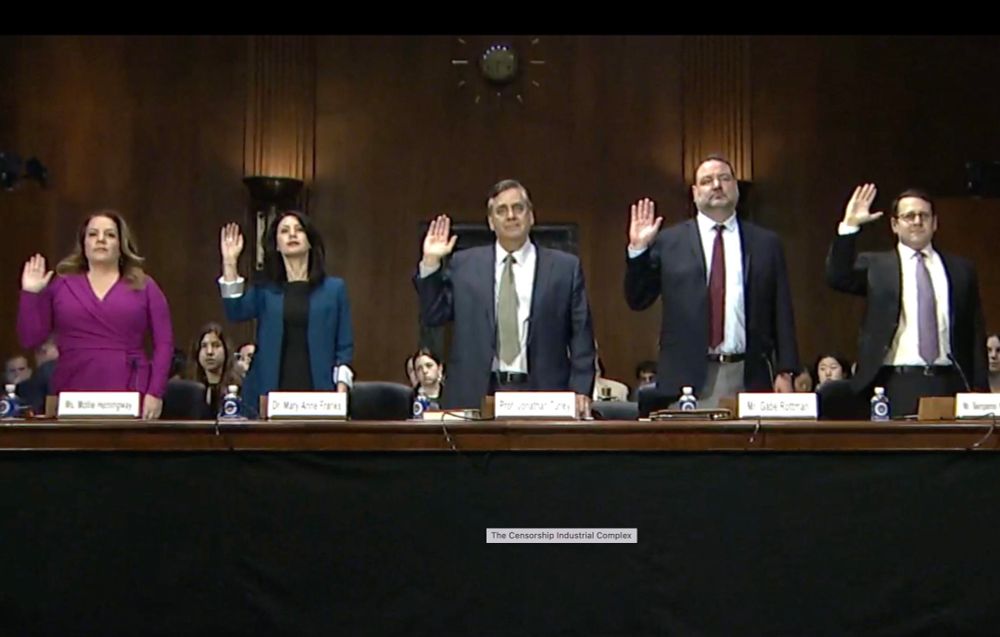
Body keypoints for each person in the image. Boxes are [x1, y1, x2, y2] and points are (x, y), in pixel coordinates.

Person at [624, 155, 799, 407]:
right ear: (695, 193)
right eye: (707, 181)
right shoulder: (669, 242)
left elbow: (782, 309)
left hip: (748, 374)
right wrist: (638, 250)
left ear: (736, 188)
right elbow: (637, 299)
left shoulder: (765, 243)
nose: (716, 185)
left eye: (724, 178)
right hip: (686, 379)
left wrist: (786, 369)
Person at [414, 179, 596, 417]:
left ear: (531, 216)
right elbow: (433, 315)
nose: (511, 216)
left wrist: (581, 389)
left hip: (544, 391)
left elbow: (581, 333)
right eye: (501, 210)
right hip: (477, 391)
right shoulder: (464, 265)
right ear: (491, 222)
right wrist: (430, 264)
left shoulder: (564, 268)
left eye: (518, 208)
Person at [826, 184, 988, 417]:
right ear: (895, 225)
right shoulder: (877, 266)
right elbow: (837, 277)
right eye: (908, 216)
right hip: (895, 381)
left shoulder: (960, 269)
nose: (916, 221)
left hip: (950, 380)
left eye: (924, 216)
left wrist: (980, 386)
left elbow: (974, 329)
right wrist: (849, 226)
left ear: (935, 223)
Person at [17, 211, 173, 419]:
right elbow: (31, 339)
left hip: (129, 387)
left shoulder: (144, 286)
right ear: (83, 244)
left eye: (109, 235)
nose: (101, 239)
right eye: (93, 234)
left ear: (121, 244)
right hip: (73, 389)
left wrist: (155, 392)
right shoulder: (61, 285)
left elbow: (164, 344)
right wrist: (31, 294)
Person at [218, 211, 354, 416]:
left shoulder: (334, 289)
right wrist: (230, 263)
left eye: (299, 230)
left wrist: (341, 387)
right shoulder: (266, 290)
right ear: (277, 245)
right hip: (270, 388)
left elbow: (344, 345)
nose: (292, 235)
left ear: (310, 241)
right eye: (284, 231)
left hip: (319, 388)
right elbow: (235, 311)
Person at [186, 322, 232, 416]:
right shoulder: (187, 390)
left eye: (215, 345)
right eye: (204, 346)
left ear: (226, 350)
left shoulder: (240, 387)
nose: (209, 352)